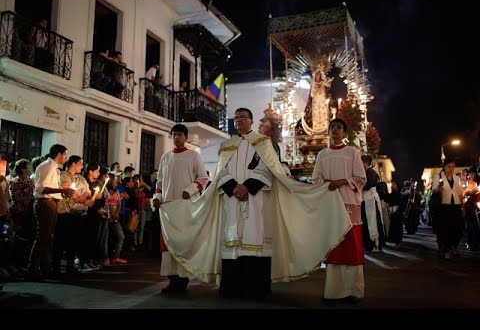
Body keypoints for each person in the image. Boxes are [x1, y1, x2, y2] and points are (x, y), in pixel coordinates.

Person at [158, 108, 351, 301]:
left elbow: (268, 170)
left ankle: (256, 289)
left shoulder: (263, 143)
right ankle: (231, 289)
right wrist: (233, 187)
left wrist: (248, 187)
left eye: (243, 117)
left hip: (256, 199)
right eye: (237, 118)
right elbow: (220, 172)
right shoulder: (228, 145)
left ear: (251, 120)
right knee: (232, 243)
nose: (239, 120)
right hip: (231, 200)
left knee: (255, 239)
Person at [312, 118, 367, 303]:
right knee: (334, 245)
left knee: (351, 245)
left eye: (339, 128)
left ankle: (353, 291)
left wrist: (342, 181)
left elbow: (360, 178)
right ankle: (333, 292)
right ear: (328, 132)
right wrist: (328, 183)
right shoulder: (322, 155)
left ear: (344, 133)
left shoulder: (352, 152)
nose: (335, 130)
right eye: (332, 127)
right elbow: (316, 179)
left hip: (349, 202)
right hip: (331, 203)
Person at [154, 124, 208, 293]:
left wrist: (189, 190)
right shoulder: (165, 157)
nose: (176, 137)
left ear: (185, 137)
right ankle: (172, 279)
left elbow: (203, 178)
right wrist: (156, 198)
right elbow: (160, 182)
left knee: (183, 242)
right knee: (168, 244)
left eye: (179, 134)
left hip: (185, 206)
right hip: (168, 207)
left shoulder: (193, 156)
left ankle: (183, 279)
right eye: (174, 134)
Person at [28, 144, 75, 280]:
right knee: (42, 237)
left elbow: (50, 186)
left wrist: (61, 188)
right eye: (65, 154)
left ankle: (44, 269)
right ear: (59, 154)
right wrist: (62, 190)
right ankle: (32, 270)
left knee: (48, 238)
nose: (66, 157)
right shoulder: (47, 166)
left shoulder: (54, 168)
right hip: (45, 204)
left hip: (51, 203)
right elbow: (41, 189)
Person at [360, 154, 385, 252]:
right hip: (366, 199)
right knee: (367, 222)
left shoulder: (371, 172)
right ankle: (369, 244)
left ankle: (375, 243)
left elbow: (368, 185)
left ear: (365, 163)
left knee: (373, 222)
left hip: (370, 199)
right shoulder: (367, 172)